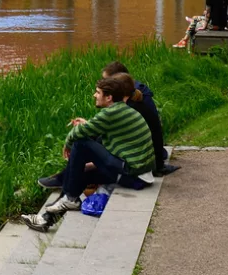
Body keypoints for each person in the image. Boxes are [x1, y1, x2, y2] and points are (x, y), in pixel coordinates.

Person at [20, 76, 155, 232]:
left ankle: (69, 198)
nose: (94, 95)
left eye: (98, 92)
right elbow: (95, 131)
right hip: (136, 172)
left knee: (81, 144)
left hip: (133, 174)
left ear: (109, 97)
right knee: (78, 175)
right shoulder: (121, 110)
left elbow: (79, 133)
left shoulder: (111, 113)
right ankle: (46, 219)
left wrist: (67, 145)